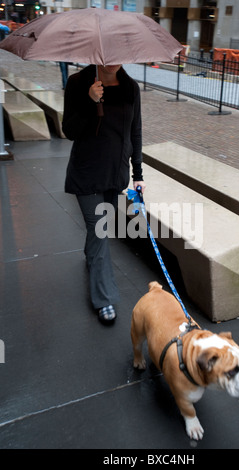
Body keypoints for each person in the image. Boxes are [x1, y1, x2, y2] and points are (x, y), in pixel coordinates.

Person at [62, 64, 146, 324]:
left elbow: (135, 131)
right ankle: (105, 299)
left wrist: (138, 174)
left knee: (100, 228)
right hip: (86, 173)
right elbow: (69, 131)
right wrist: (90, 101)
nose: (113, 59)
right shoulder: (78, 82)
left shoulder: (130, 87)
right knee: (99, 230)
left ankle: (91, 259)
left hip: (115, 173)